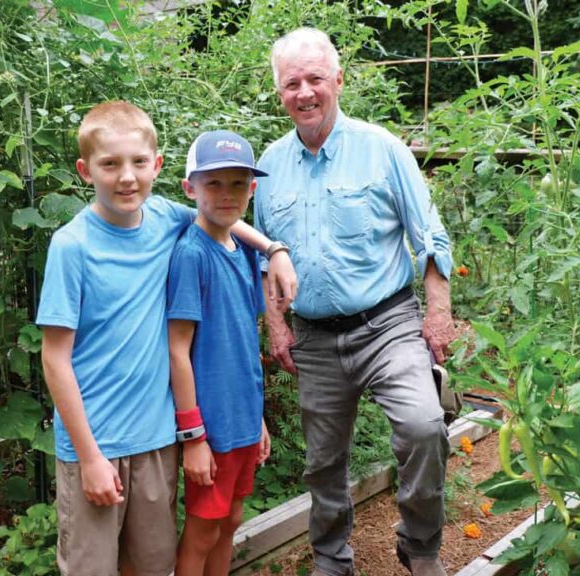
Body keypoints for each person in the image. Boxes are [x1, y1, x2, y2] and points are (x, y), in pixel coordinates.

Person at [36, 101, 296, 576]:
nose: (126, 177)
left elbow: (222, 212)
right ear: (84, 170)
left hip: (157, 440)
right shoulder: (71, 246)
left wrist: (274, 249)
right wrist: (90, 457)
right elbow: (55, 359)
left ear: (156, 165)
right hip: (96, 443)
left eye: (138, 162)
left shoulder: (162, 216)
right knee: (91, 568)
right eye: (110, 164)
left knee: (153, 565)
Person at [253, 29, 458, 576]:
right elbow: (262, 261)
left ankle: (419, 544)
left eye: (315, 78)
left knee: (422, 425)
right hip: (314, 335)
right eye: (291, 83)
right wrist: (277, 327)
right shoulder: (268, 169)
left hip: (387, 322)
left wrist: (437, 313)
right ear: (279, 93)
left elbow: (430, 236)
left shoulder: (382, 149)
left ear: (338, 81)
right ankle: (331, 557)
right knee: (322, 462)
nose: (304, 92)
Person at [167, 130, 274, 576]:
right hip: (211, 428)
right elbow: (177, 350)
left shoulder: (244, 251)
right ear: (189, 188)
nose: (226, 195)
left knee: (230, 520)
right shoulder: (191, 254)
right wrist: (193, 438)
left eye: (237, 184)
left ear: (251, 189)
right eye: (213, 184)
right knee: (203, 529)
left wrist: (259, 419)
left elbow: (244, 339)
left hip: (243, 421)